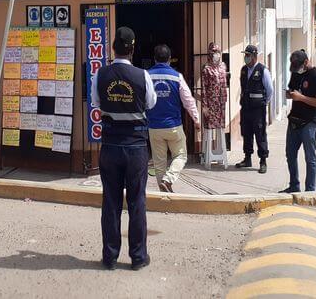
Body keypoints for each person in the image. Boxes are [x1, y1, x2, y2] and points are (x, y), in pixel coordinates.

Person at [91, 26, 157, 271]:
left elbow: (96, 102)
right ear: (132, 49)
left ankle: (110, 257)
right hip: (136, 147)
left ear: (113, 48)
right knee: (137, 202)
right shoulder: (143, 76)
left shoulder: (101, 75)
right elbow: (151, 102)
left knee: (111, 202)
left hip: (110, 146)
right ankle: (138, 257)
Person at [146, 44, 200, 193]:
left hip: (154, 126)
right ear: (170, 59)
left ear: (155, 59)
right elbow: (188, 100)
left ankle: (164, 193)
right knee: (181, 155)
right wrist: (196, 119)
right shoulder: (177, 77)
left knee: (159, 163)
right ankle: (168, 180)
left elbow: (142, 101)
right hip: (173, 126)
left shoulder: (146, 76)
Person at [280, 50, 316, 193]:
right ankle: (294, 185)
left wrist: (301, 98)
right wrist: (290, 94)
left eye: (298, 66)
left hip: (309, 123)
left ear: (306, 62)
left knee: (310, 158)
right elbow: (293, 90)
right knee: (290, 154)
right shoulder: (295, 73)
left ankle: (310, 190)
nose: (296, 70)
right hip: (294, 120)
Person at [235, 45, 273, 174]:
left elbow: (270, 90)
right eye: (245, 55)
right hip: (246, 108)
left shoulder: (263, 70)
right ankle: (247, 158)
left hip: (258, 110)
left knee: (260, 134)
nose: (246, 58)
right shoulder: (243, 70)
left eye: (248, 55)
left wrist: (263, 103)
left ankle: (263, 161)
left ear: (255, 56)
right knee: (247, 133)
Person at [201, 42, 228, 130]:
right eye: (214, 52)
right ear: (210, 53)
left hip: (221, 102)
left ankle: (221, 144)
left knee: (221, 128)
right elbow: (204, 88)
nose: (216, 54)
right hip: (211, 103)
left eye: (218, 52)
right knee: (209, 128)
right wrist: (204, 105)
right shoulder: (206, 68)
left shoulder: (223, 66)